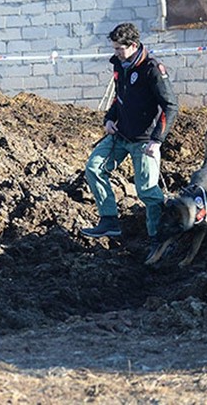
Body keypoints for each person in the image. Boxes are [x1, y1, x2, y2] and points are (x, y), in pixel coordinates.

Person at [81, 23, 179, 257]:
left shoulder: (152, 69)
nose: (115, 53)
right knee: (93, 168)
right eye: (114, 48)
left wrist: (157, 140)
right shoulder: (120, 65)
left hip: (144, 141)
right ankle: (109, 221)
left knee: (146, 190)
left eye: (119, 49)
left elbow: (170, 106)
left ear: (133, 45)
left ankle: (158, 238)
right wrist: (109, 119)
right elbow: (120, 97)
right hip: (120, 134)